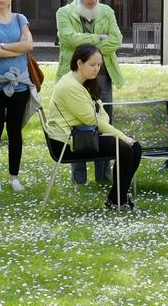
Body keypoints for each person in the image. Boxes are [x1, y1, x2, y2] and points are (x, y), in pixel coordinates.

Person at [43, 43, 142, 209]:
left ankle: (117, 198)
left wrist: (106, 124)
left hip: (82, 136)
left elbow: (101, 113)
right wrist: (122, 136)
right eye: (92, 64)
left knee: (135, 147)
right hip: (67, 143)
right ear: (79, 63)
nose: (97, 69)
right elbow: (93, 120)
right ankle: (118, 200)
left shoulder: (83, 82)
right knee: (125, 148)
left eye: (99, 65)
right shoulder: (70, 86)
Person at [55, 0, 123, 186]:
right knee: (78, 124)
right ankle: (79, 179)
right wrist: (97, 39)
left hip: (103, 77)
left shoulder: (107, 12)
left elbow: (117, 40)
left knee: (103, 121)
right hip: (76, 78)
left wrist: (88, 51)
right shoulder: (64, 13)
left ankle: (103, 177)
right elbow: (67, 39)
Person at [0, 0, 35, 194]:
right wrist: (17, 48)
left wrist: (4, 46)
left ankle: (14, 177)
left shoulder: (20, 19)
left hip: (20, 84)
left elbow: (29, 45)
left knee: (15, 131)